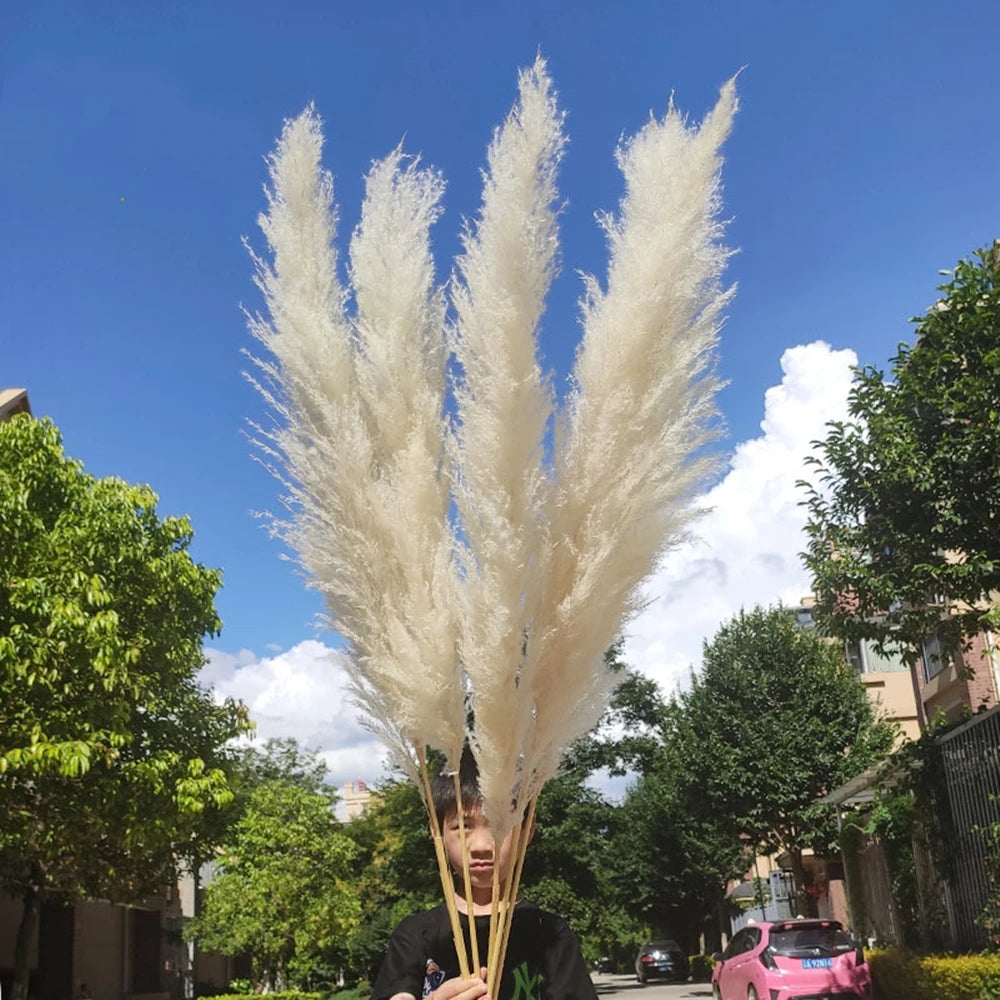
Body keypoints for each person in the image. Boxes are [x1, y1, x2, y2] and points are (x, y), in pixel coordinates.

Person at [372, 752, 597, 1000]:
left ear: (527, 830)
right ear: (436, 832)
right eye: (462, 826)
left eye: (498, 824)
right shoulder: (416, 935)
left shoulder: (550, 934)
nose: (480, 845)